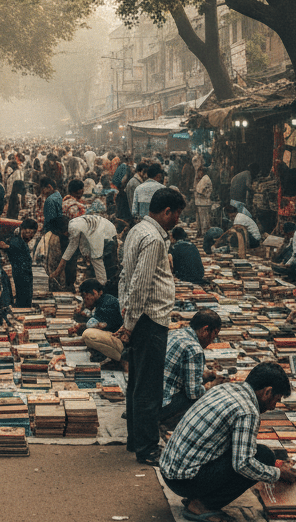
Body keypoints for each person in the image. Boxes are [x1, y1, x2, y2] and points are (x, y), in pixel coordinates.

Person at [160, 362, 296, 517]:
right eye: (277, 399)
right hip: (185, 482)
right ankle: (202, 505)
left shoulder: (226, 388)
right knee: (264, 457)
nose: (274, 407)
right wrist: (278, 473)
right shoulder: (247, 411)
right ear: (267, 392)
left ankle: (199, 496)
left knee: (257, 453)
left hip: (169, 472)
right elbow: (243, 464)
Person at [116, 187, 183, 466]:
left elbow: (125, 277)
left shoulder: (137, 230)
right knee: (149, 388)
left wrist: (126, 314)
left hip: (140, 317)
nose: (178, 220)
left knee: (137, 382)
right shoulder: (154, 238)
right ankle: (146, 448)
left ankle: (136, 439)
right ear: (167, 211)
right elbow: (140, 283)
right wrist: (130, 323)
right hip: (149, 319)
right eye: (177, 214)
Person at [161, 309, 224, 430]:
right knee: (209, 401)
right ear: (205, 330)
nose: (213, 340)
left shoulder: (175, 333)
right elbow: (193, 393)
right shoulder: (194, 349)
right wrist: (212, 385)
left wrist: (205, 376)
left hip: (151, 397)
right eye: (214, 334)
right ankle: (171, 424)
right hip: (164, 404)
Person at [51, 212, 118, 287]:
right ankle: (101, 286)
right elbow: (73, 246)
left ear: (61, 231)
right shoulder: (74, 224)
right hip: (106, 230)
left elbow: (73, 246)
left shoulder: (73, 227)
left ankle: (102, 287)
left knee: (98, 261)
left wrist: (57, 271)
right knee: (98, 263)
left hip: (106, 235)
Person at [71, 277, 124, 367]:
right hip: (118, 338)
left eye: (85, 296)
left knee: (88, 335)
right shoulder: (104, 300)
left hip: (122, 343)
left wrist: (80, 326)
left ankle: (121, 360)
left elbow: (95, 325)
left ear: (94, 293)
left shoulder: (107, 303)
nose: (85, 300)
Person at [0, 218, 38, 308]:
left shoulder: (17, 240)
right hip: (21, 277)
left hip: (21, 276)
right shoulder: (16, 242)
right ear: (23, 229)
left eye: (32, 234)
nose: (31, 236)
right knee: (22, 304)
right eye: (29, 233)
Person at [193, 161, 213, 238]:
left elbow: (199, 190)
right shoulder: (202, 179)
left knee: (204, 220)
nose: (198, 173)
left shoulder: (205, 178)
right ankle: (200, 232)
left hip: (204, 203)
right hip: (200, 203)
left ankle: (204, 234)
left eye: (199, 172)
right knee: (200, 220)